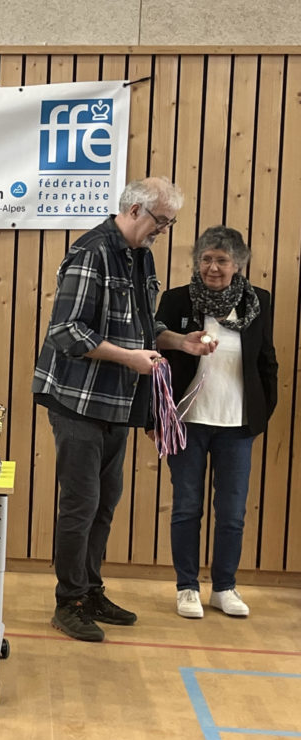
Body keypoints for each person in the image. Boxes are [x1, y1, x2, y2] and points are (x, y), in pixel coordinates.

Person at [32, 177, 184, 642]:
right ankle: (69, 602)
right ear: (135, 210)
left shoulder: (142, 257)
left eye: (170, 224)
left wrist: (182, 343)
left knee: (103, 505)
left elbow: (143, 326)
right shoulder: (92, 252)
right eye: (161, 221)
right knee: (80, 505)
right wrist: (128, 358)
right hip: (77, 400)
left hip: (117, 402)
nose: (163, 231)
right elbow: (66, 331)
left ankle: (90, 589)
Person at [155, 226, 277, 619]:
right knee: (186, 508)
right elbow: (154, 345)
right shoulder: (177, 300)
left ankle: (224, 587)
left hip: (237, 425)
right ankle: (187, 587)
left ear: (238, 264)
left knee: (232, 513)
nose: (213, 267)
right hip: (187, 422)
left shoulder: (259, 301)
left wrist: (262, 413)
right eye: (206, 259)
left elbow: (266, 361)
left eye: (222, 260)